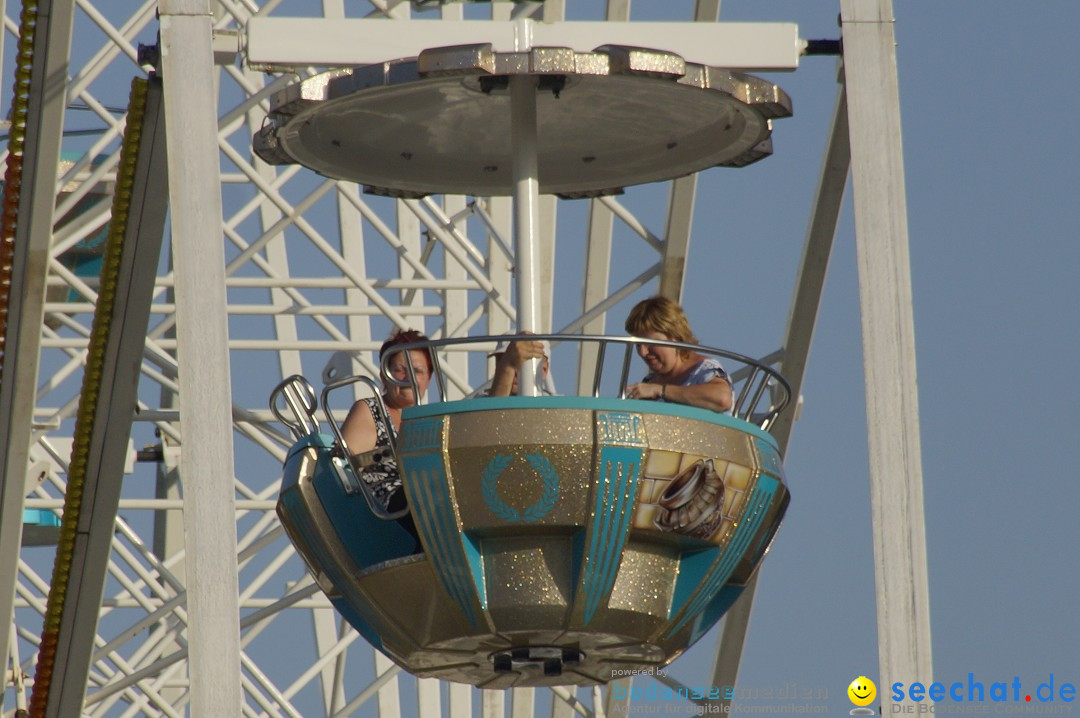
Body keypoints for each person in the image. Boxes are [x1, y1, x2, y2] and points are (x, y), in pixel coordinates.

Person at [340, 328, 432, 515]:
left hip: (427, 498)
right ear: (384, 376)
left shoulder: (430, 421)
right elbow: (342, 471)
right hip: (387, 506)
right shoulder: (371, 411)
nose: (409, 378)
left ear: (428, 379)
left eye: (417, 371)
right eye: (399, 370)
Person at [623, 296, 733, 413]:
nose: (642, 352)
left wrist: (661, 390)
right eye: (638, 345)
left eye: (649, 343)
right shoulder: (650, 381)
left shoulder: (703, 370)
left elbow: (722, 399)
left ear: (675, 336)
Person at [488, 332, 554, 397]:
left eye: (526, 364)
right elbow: (492, 407)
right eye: (503, 362)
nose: (516, 372)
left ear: (544, 369)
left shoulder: (556, 405)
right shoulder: (480, 403)